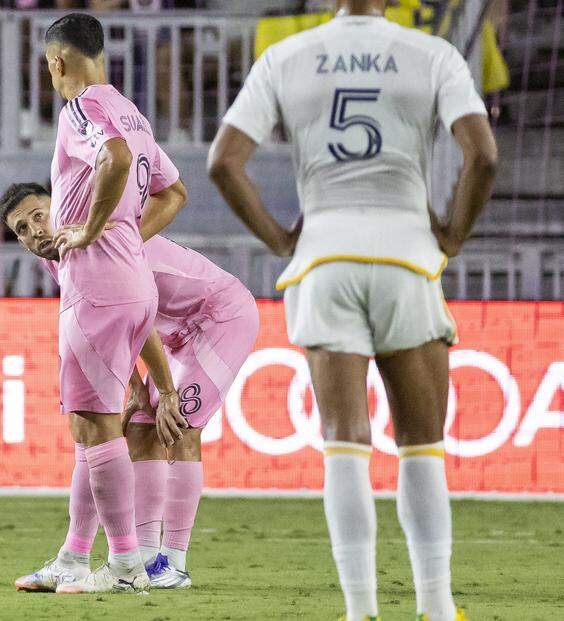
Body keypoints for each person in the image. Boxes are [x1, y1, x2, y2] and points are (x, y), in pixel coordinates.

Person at [207, 0, 497, 619]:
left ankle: (359, 610)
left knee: (345, 442)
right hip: (407, 256)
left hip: (323, 259)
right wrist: (451, 236)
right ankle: (437, 608)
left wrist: (283, 240)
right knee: (421, 444)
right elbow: (484, 155)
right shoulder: (433, 53)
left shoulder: (285, 55)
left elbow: (223, 163)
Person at [0, 182, 259, 591]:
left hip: (220, 316)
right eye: (22, 229)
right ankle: (140, 560)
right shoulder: (62, 258)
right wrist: (139, 386)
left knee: (177, 428)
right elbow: (119, 324)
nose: (35, 230)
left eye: (38, 215)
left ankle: (173, 564)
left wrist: (165, 390)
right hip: (173, 334)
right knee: (139, 428)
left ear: (62, 206)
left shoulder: (91, 242)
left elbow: (139, 312)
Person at [17, 13, 185, 595]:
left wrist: (89, 232)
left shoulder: (82, 108)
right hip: (134, 283)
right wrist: (124, 240)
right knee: (94, 427)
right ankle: (72, 558)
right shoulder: (130, 111)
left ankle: (124, 566)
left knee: (94, 427)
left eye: (48, 65)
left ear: (58, 61)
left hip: (97, 289)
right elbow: (174, 191)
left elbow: (111, 158)